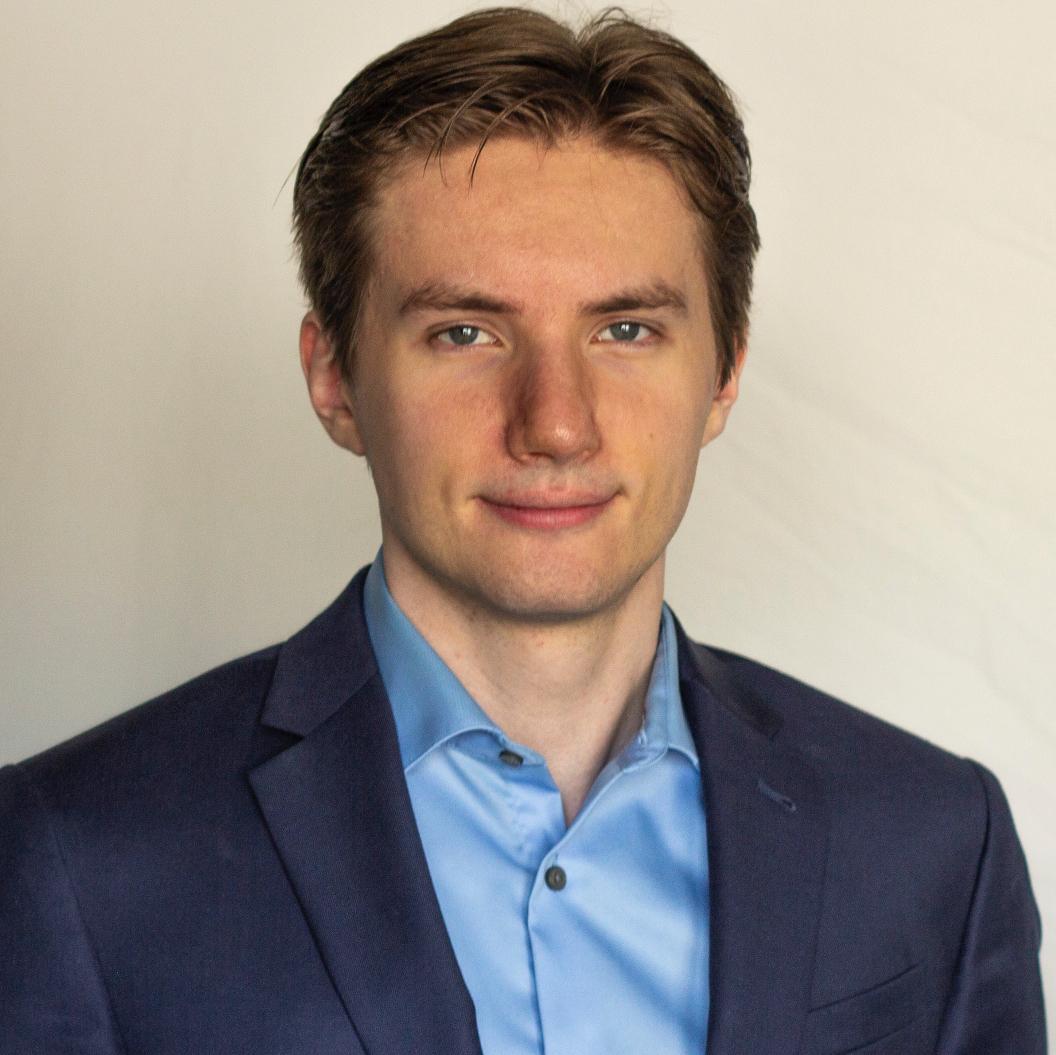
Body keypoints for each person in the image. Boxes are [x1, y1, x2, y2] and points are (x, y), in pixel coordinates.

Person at [0, 7, 1045, 1053]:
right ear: (335, 380)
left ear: (725, 370)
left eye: (626, 328)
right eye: (466, 331)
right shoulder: (73, 858)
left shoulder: (934, 845)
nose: (555, 422)